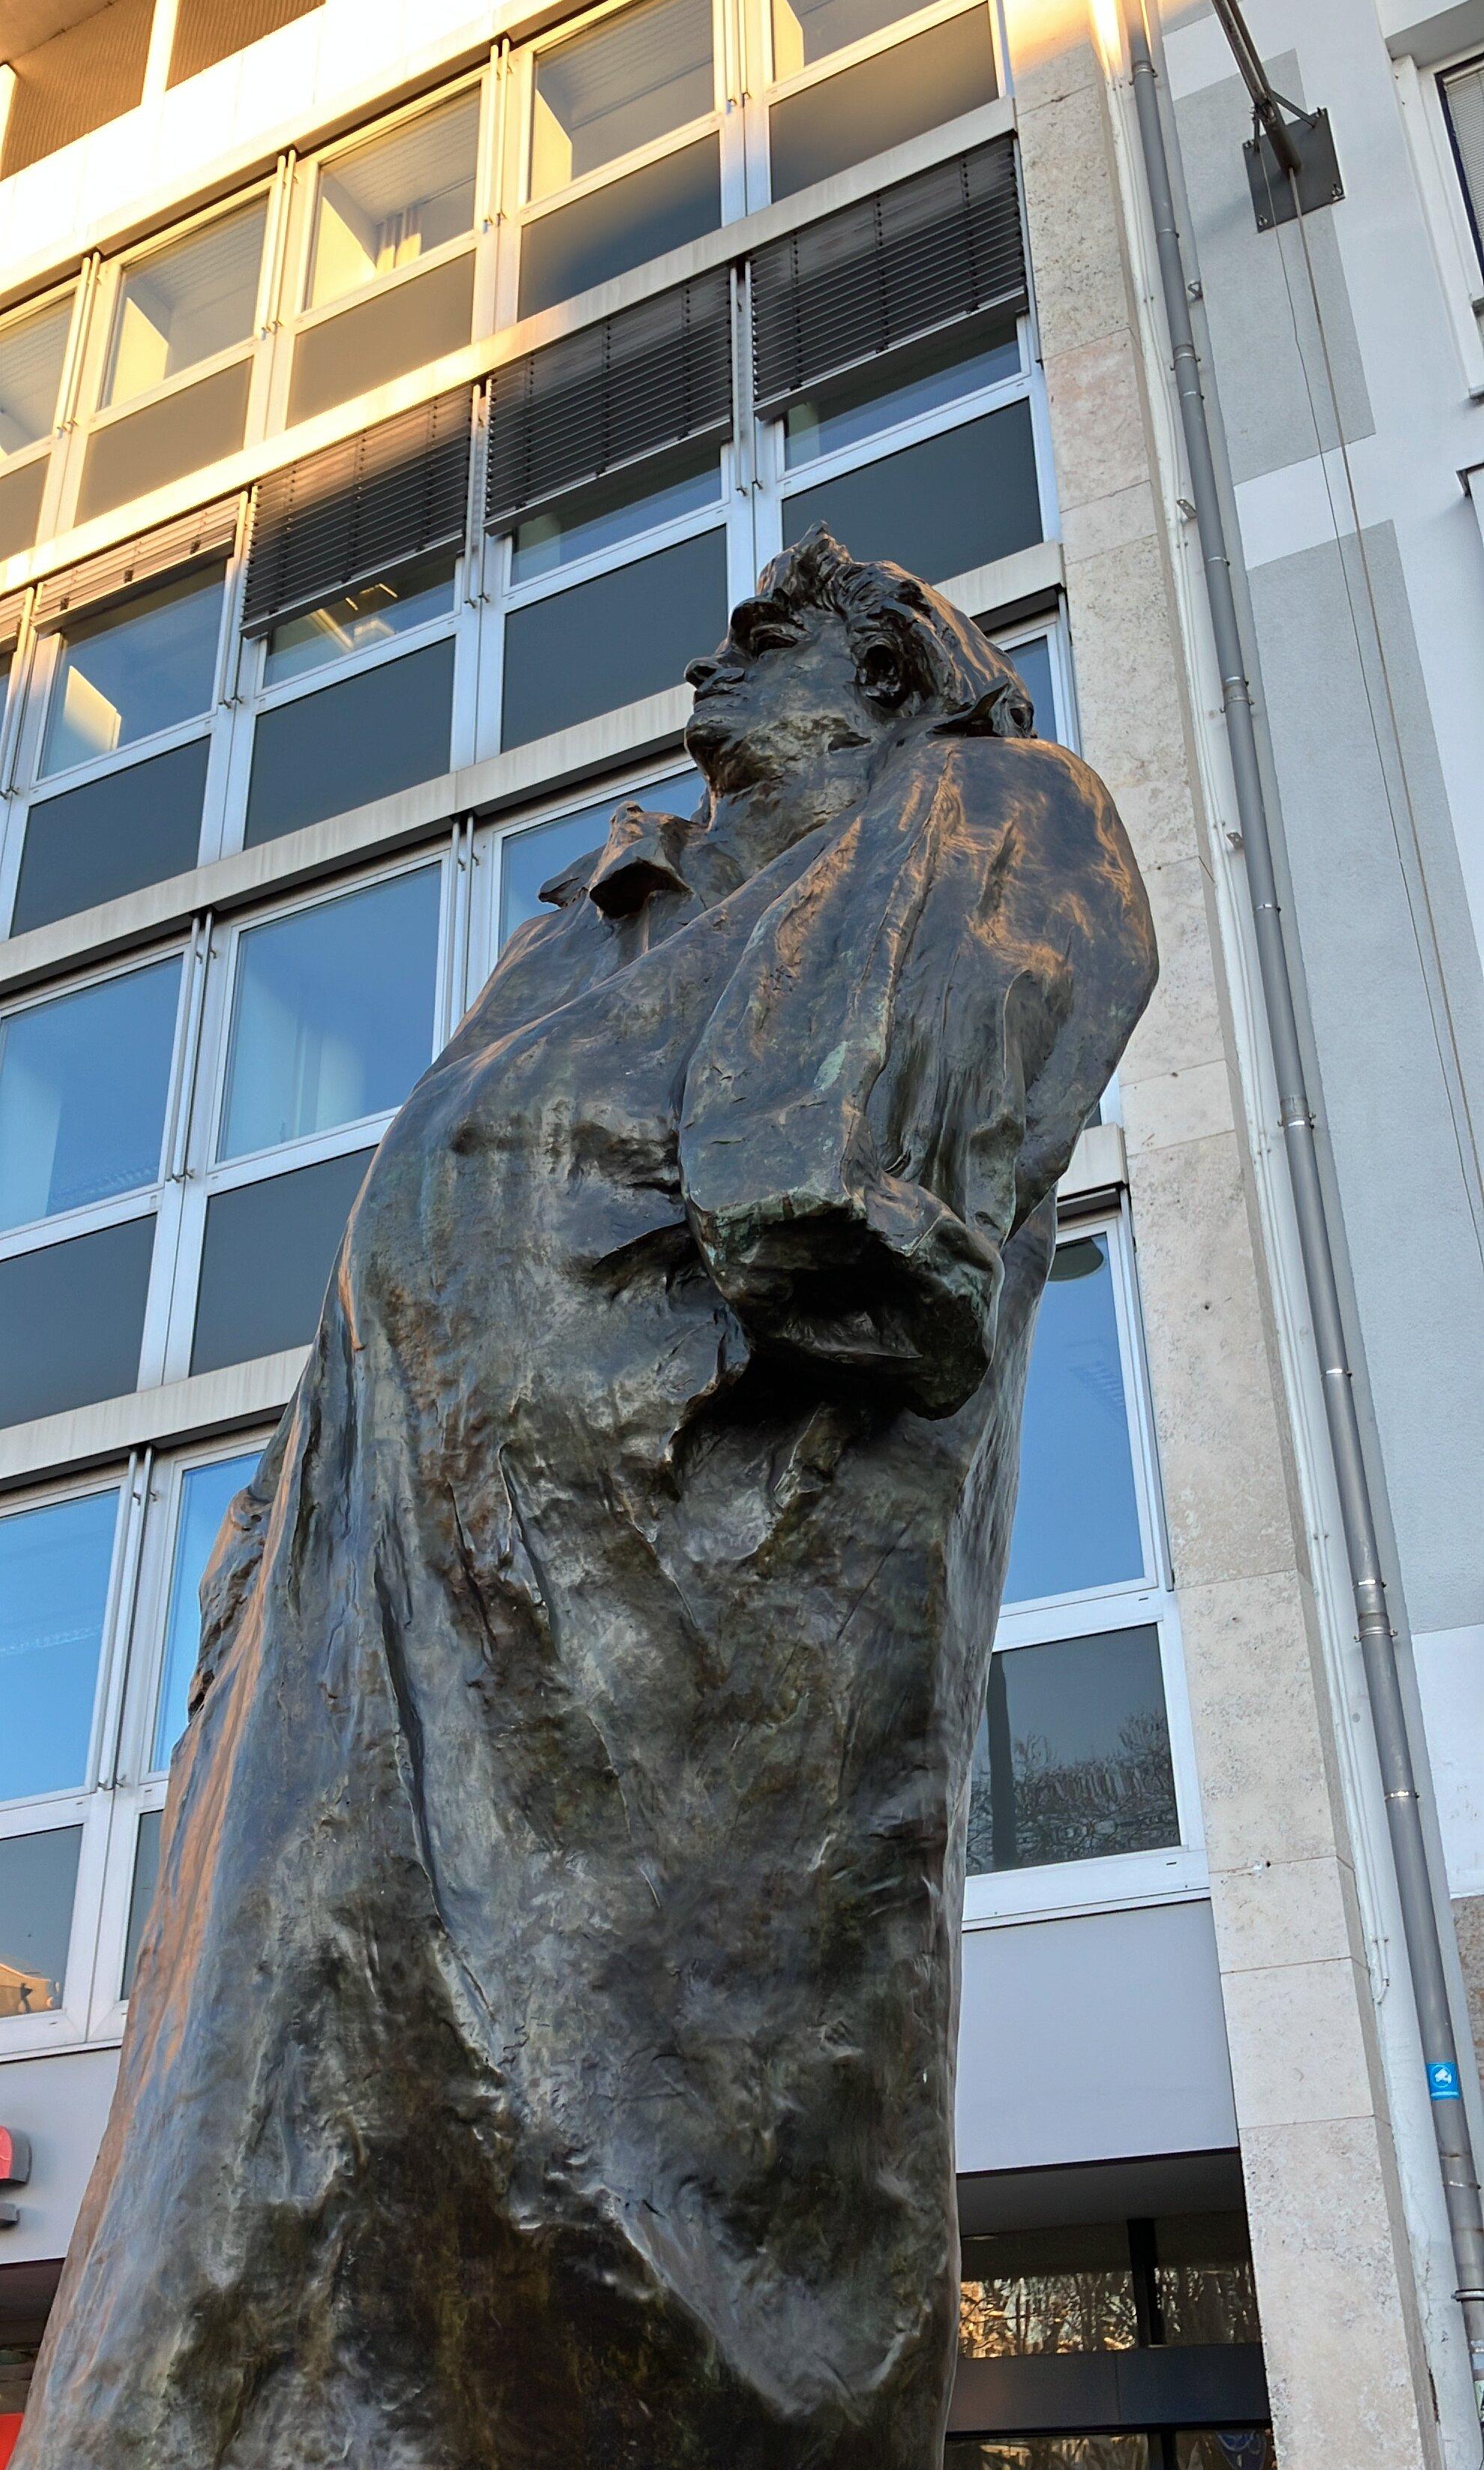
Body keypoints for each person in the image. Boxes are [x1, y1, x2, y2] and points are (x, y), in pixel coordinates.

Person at [18, 528, 1156, 2470]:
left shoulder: (989, 806)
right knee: (220, 2281)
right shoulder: (591, 908)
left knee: (606, 2283)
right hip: (362, 1673)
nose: (732, 644)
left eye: (788, 630)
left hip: (656, 1689)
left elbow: (838, 1206)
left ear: (892, 686)